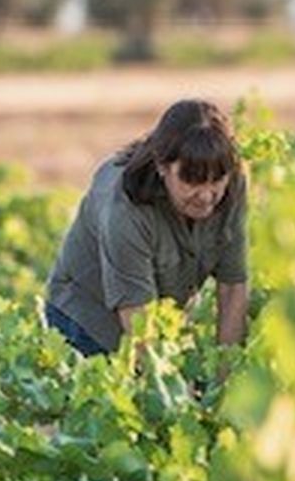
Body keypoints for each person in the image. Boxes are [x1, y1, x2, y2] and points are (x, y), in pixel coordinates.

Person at [44, 99, 250, 357]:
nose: (207, 196)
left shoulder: (233, 184)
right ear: (162, 166)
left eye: (216, 180)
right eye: (192, 181)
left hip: (149, 319)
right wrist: (169, 387)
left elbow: (232, 288)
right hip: (85, 319)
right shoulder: (125, 210)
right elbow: (138, 321)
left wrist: (225, 379)